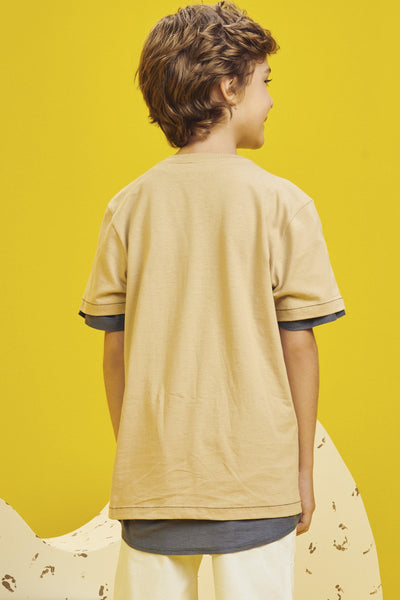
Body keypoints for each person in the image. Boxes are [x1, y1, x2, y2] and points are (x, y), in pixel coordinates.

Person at [78, 1, 346, 598]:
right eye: (265, 82)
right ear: (229, 87)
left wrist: (142, 464)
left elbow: (114, 352)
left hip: (154, 482)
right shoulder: (284, 204)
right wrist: (302, 473)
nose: (271, 100)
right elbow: (298, 346)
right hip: (257, 485)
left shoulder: (127, 206)